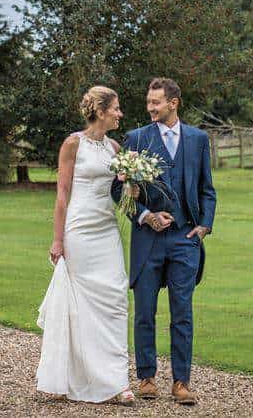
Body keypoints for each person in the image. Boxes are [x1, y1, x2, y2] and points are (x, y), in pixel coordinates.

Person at [111, 77, 217, 406]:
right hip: (148, 240)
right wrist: (145, 216)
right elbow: (119, 190)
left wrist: (204, 227)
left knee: (182, 313)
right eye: (148, 102)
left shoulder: (198, 139)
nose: (150, 108)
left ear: (174, 103)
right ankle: (146, 378)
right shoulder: (137, 138)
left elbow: (207, 190)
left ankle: (181, 383)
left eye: (156, 102)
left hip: (186, 240)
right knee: (144, 312)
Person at [35, 86, 135, 406]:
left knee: (116, 300)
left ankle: (117, 381)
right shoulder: (72, 144)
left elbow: (122, 195)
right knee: (79, 307)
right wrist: (58, 239)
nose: (120, 113)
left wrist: (133, 184)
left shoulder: (116, 148)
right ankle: (76, 377)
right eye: (116, 108)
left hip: (106, 231)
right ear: (101, 111)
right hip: (79, 230)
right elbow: (62, 194)